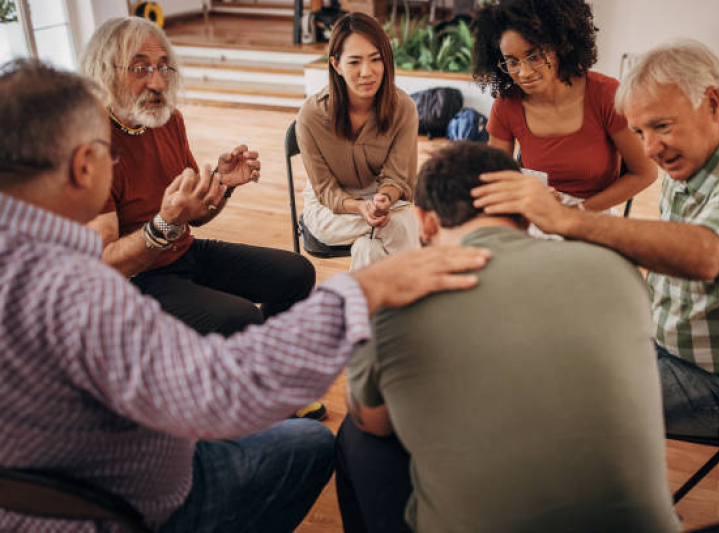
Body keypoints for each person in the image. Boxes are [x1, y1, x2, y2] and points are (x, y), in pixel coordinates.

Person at [0, 59, 490, 531]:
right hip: (129, 506)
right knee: (313, 444)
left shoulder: (39, 257)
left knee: (292, 278)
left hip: (96, 462)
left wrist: (211, 195)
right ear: (85, 166)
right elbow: (226, 388)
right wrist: (358, 292)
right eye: (106, 153)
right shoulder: (77, 290)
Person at [336, 142, 680, 533]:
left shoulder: (397, 299)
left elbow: (374, 423)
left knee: (356, 432)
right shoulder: (615, 268)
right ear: (524, 211)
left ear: (424, 222)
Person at [472, 40, 719, 440]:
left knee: (553, 400)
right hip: (673, 342)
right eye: (641, 132)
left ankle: (620, 502)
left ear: (713, 102)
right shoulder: (700, 156)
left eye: (661, 126)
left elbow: (708, 253)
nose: (650, 149)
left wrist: (566, 220)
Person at [81, 16, 329, 420]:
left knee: (297, 272)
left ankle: (258, 370)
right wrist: (165, 223)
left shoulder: (166, 120)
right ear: (105, 71)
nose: (157, 81)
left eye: (164, 66)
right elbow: (104, 263)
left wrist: (222, 186)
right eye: (141, 67)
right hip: (136, 282)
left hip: (184, 253)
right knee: (241, 317)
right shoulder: (92, 146)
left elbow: (194, 218)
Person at [472, 0, 656, 215]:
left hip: (593, 213)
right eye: (512, 62)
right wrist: (528, 193)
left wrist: (576, 210)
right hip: (537, 212)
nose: (524, 72)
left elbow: (645, 173)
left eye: (534, 57)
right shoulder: (507, 105)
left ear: (559, 46)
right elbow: (497, 177)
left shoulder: (606, 95)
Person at [296, 13, 420, 270]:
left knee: (369, 247)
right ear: (336, 65)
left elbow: (397, 178)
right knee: (402, 223)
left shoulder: (403, 109)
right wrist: (359, 208)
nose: (367, 72)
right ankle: (415, 302)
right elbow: (326, 191)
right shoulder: (311, 116)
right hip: (331, 211)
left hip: (383, 201)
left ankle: (361, 309)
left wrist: (382, 199)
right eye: (354, 62)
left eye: (376, 59)